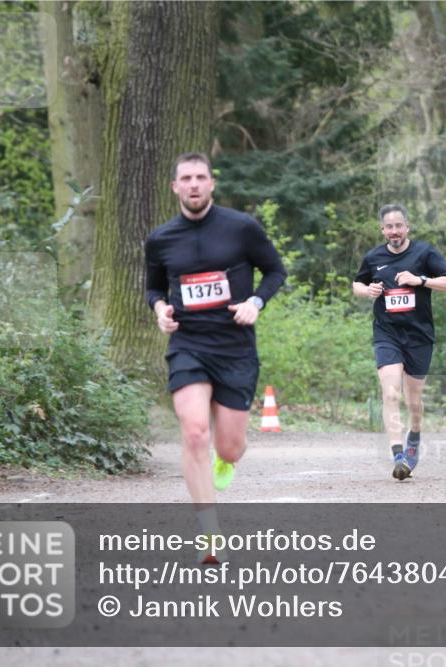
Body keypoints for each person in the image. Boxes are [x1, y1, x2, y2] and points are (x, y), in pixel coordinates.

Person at [145, 152, 287, 561]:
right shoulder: (160, 239)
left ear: (211, 183)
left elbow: (275, 271)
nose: (193, 184)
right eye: (186, 178)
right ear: (175, 186)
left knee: (229, 448)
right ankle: (210, 534)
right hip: (188, 345)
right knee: (193, 433)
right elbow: (153, 288)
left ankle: (225, 459)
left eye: (200, 177)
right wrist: (160, 310)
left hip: (235, 348)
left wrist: (256, 303)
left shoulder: (241, 228)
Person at [352, 204, 446, 480]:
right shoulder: (374, 257)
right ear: (382, 230)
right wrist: (367, 290)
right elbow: (356, 284)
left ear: (407, 227)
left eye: (399, 226)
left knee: (414, 401)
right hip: (387, 334)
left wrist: (420, 280)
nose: (394, 231)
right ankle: (398, 454)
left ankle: (415, 435)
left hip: (419, 336)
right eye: (389, 226)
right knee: (390, 394)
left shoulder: (425, 253)